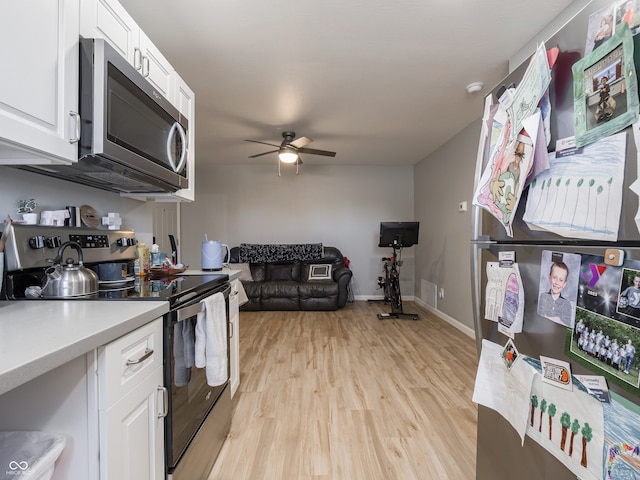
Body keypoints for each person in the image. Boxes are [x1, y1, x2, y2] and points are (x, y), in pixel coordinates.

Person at [538, 261, 573, 326]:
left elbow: (567, 325)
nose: (557, 282)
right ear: (549, 278)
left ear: (564, 284)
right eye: (554, 277)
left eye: (561, 280)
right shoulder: (543, 296)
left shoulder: (567, 304)